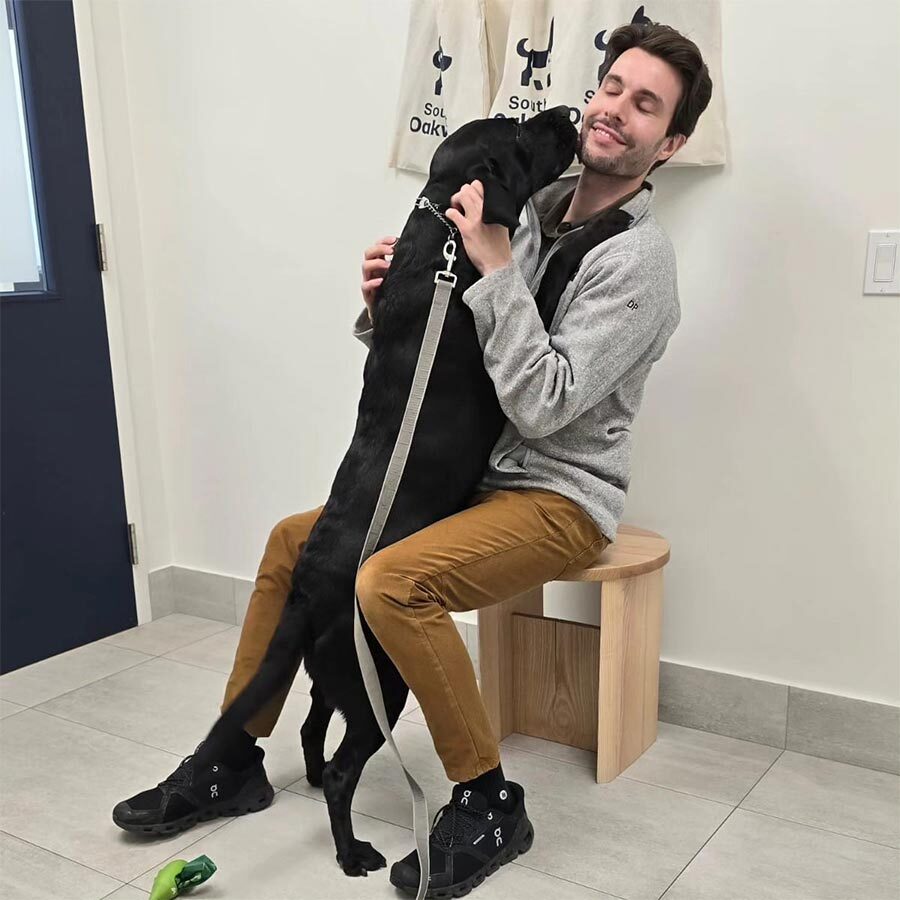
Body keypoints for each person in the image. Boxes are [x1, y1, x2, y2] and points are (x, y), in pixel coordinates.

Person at [113, 20, 711, 899]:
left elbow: (545, 401)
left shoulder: (641, 263)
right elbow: (454, 360)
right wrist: (391, 300)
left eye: (646, 104)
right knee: (291, 544)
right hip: (466, 480)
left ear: (673, 142)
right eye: (614, 86)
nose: (616, 109)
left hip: (558, 497)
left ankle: (487, 798)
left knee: (392, 581)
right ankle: (233, 757)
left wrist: (495, 268)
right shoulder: (536, 205)